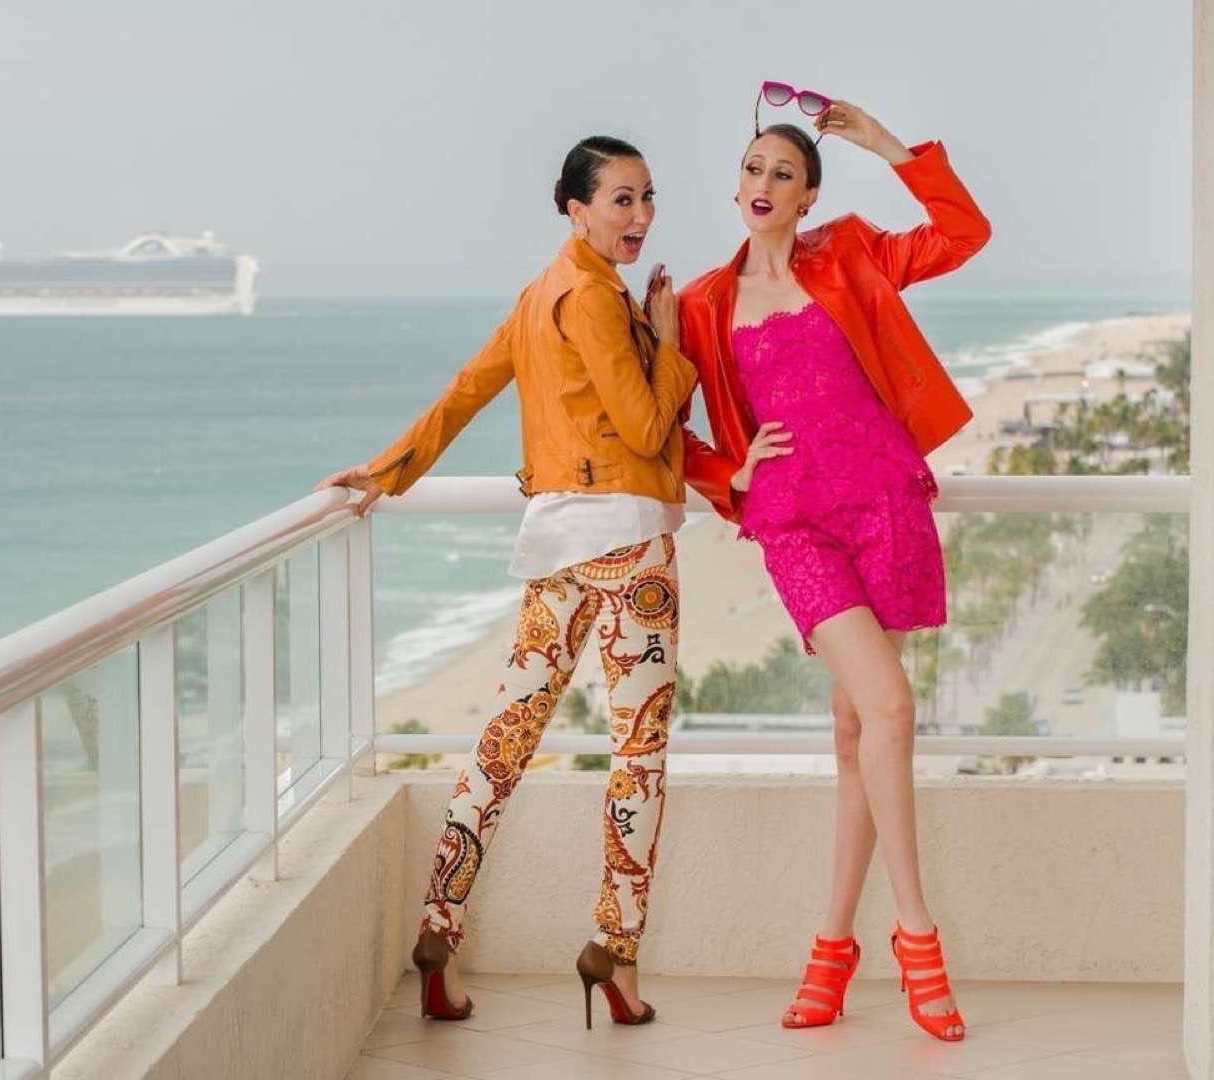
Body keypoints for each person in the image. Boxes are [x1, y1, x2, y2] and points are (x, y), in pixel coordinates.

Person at [317, 134, 696, 1029]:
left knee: (501, 746)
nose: (639, 216)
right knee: (635, 760)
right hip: (631, 552)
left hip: (556, 551)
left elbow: (467, 389)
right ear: (576, 209)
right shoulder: (598, 300)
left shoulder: (538, 295)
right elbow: (645, 429)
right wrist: (670, 344)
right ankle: (615, 953)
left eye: (647, 198)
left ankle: (438, 935)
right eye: (620, 201)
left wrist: (388, 468)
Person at [677, 88, 991, 1043]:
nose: (763, 183)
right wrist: (732, 467)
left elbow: (963, 231)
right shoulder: (699, 303)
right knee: (890, 708)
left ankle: (828, 951)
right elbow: (656, 430)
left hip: (881, 503)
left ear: (809, 196)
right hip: (794, 524)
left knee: (860, 732)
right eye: (751, 169)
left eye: (783, 172)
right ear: (735, 190)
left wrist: (887, 145)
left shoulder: (850, 252)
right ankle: (915, 937)